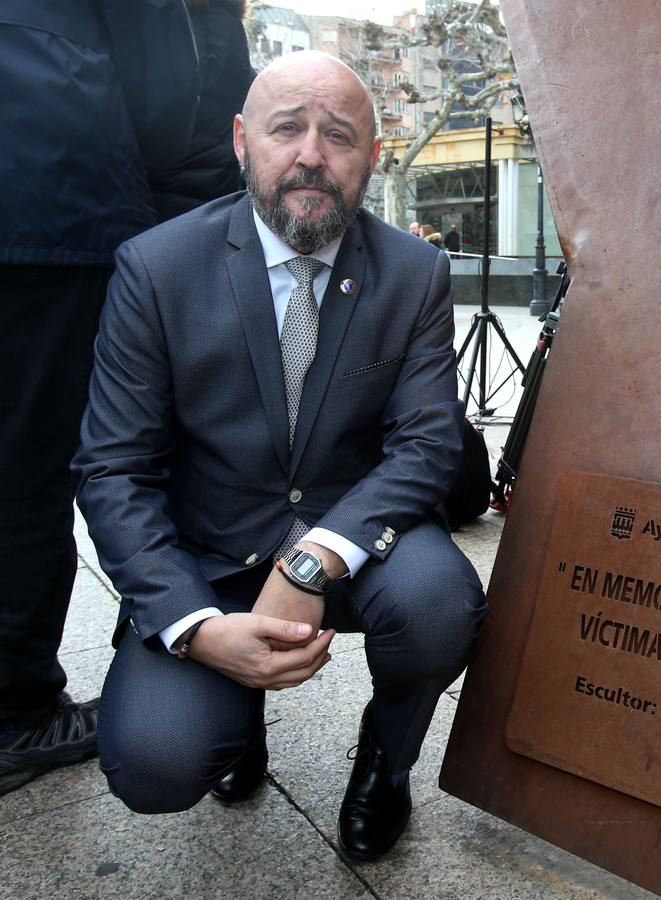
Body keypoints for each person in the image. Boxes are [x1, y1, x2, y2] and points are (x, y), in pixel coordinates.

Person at [73, 51, 487, 861]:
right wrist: (195, 627)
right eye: (286, 128)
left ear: (374, 154)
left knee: (442, 605)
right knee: (156, 762)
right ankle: (235, 722)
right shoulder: (156, 269)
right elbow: (112, 470)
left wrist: (312, 561)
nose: (310, 154)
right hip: (211, 554)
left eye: (338, 135)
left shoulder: (415, 272)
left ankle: (386, 762)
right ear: (241, 141)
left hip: (353, 540)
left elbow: (429, 444)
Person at [0, 0, 199, 802]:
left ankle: (3, 674)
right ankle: (8, 712)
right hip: (39, 177)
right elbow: (162, 80)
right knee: (25, 459)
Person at [149, 0, 255, 221]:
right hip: (213, 184)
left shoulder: (198, 21)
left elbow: (188, 83)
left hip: (173, 183)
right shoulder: (227, 23)